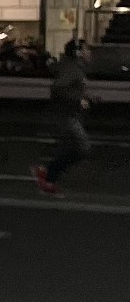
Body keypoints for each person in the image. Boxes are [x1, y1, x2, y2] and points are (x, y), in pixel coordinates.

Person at [32, 38, 92, 194]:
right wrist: (79, 100)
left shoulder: (74, 68)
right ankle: (48, 178)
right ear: (78, 52)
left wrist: (86, 98)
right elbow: (58, 88)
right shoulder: (72, 68)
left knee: (70, 148)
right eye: (86, 49)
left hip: (68, 114)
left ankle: (47, 175)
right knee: (82, 148)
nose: (89, 52)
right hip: (66, 115)